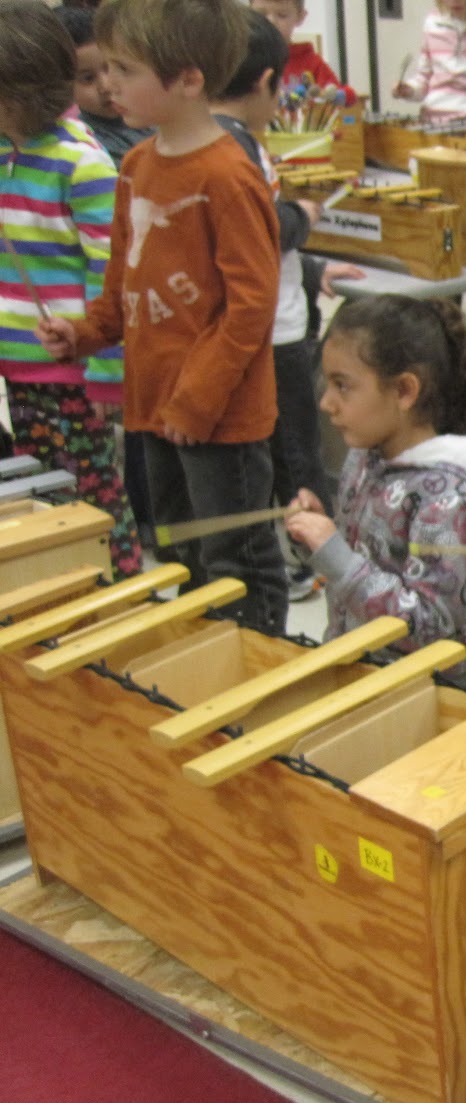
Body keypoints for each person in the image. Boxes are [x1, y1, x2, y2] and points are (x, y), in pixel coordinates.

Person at [37, 0, 288, 630]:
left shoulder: (228, 174)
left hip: (218, 417)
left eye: (125, 68)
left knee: (237, 555)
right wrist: (86, 333)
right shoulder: (135, 165)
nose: (109, 83)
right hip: (154, 404)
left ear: (189, 79)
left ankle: (254, 677)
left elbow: (251, 307)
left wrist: (197, 400)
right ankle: (205, 663)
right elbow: (122, 280)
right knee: (180, 549)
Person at [285, 295, 466, 690]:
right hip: (359, 676)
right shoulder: (364, 457)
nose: (326, 402)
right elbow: (361, 558)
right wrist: (315, 538)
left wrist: (337, 557)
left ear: (405, 392)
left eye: (342, 386)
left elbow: (426, 626)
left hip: (428, 699)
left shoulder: (449, 499)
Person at [1, 0, 140, 578]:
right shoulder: (9, 156)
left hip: (72, 371)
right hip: (19, 367)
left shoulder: (82, 164)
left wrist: (107, 373)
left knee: (94, 500)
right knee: (42, 497)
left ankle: (122, 589)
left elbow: (113, 277)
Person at [211, 9, 337, 602]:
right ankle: (314, 559)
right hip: (277, 331)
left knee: (266, 454)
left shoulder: (202, 142)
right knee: (294, 454)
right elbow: (269, 230)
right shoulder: (243, 151)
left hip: (244, 326)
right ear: (266, 82)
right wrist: (305, 216)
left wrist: (313, 269)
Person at [54, 4, 151, 165]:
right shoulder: (89, 144)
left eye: (112, 67)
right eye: (87, 78)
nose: (106, 86)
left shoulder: (153, 107)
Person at [249, 0, 341, 88]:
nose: (271, 22)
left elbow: (338, 97)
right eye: (260, 14)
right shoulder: (242, 60)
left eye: (282, 15)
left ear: (300, 17)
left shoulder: (313, 64)